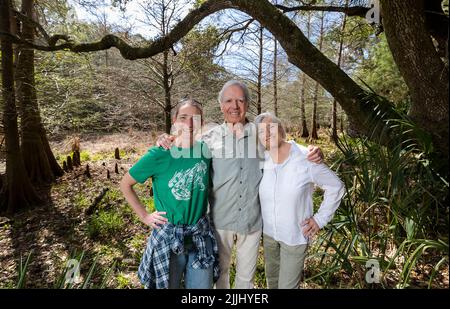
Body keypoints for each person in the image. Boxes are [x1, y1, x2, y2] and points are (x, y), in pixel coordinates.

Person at [157, 80, 324, 289]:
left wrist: (310, 150)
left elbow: (284, 145)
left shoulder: (260, 134)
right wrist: (164, 139)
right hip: (219, 221)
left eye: (240, 100)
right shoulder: (209, 138)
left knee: (246, 279)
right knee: (220, 275)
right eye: (228, 100)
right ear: (221, 105)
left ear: (247, 104)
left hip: (252, 221)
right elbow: (183, 143)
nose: (234, 106)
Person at [120, 99, 219, 289]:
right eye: (183, 117)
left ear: (202, 123)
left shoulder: (205, 151)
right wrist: (144, 216)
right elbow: (125, 184)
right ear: (174, 120)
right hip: (169, 236)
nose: (189, 124)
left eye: (195, 119)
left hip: (199, 235)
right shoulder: (159, 154)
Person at [255, 112, 345, 289]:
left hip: (294, 236)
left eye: (270, 127)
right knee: (272, 283)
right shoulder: (262, 160)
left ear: (281, 129)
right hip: (269, 236)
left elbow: (336, 186)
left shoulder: (306, 157)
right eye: (260, 132)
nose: (266, 134)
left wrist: (320, 219)